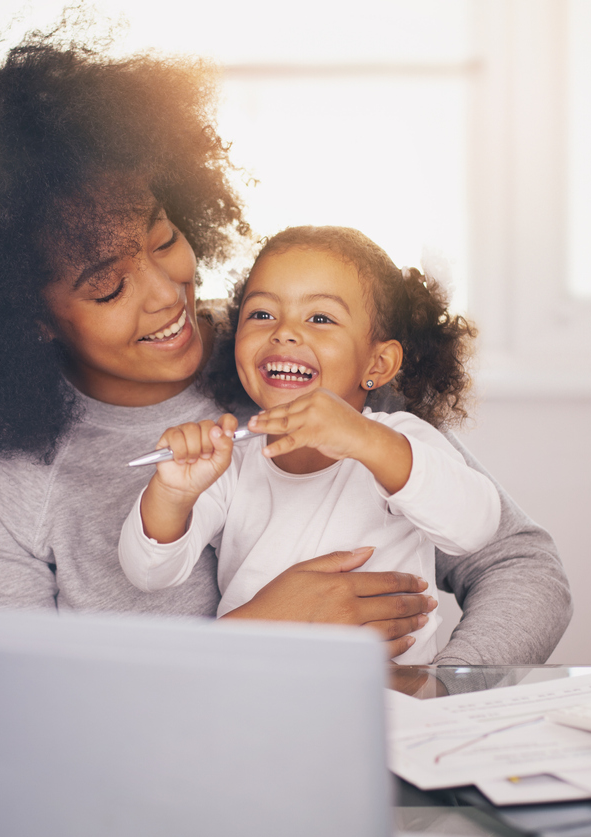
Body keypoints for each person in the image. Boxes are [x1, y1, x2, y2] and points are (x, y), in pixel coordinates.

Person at [0, 25, 572, 664]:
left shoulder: (300, 365)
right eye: (105, 286)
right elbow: (24, 713)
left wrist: (442, 698)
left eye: (165, 238)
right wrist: (255, 635)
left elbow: (516, 563)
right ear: (24, 315)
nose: (166, 292)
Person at [118, 227, 501, 664]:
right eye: (262, 314)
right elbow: (149, 572)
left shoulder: (398, 441)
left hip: (389, 703)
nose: (284, 333)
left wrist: (363, 440)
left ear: (378, 363)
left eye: (320, 318)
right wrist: (172, 493)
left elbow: (477, 525)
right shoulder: (231, 461)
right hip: (257, 697)